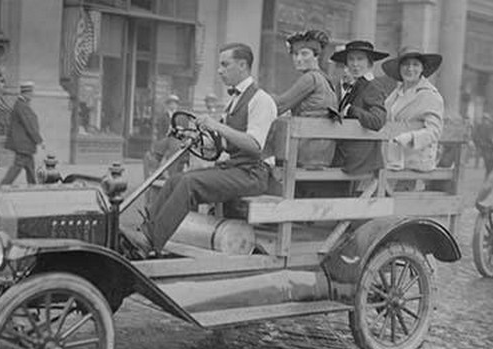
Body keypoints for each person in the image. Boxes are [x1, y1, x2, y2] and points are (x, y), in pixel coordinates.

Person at [122, 42, 277, 257]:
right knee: (175, 180)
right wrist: (198, 139)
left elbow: (255, 144)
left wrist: (216, 126)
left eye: (225, 65)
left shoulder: (262, 100)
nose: (220, 71)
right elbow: (224, 144)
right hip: (235, 168)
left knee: (189, 183)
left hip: (253, 174)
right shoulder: (234, 101)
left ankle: (149, 242)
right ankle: (144, 233)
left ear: (242, 65)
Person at [274, 29, 337, 169]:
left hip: (308, 151)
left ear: (316, 56)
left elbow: (280, 105)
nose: (298, 59)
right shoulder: (325, 79)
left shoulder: (311, 78)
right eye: (295, 54)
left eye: (304, 54)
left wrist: (255, 100)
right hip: (322, 151)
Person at [329, 40, 389, 175]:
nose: (355, 64)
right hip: (346, 155)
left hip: (361, 161)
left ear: (370, 63)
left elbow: (377, 121)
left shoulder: (373, 86)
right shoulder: (356, 85)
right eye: (351, 59)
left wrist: (351, 110)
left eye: (360, 59)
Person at [382, 46, 444, 173]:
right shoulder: (395, 94)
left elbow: (434, 131)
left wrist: (409, 137)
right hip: (392, 157)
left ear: (422, 68)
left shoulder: (429, 95)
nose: (410, 69)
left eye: (415, 65)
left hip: (416, 160)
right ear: (399, 68)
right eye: (405, 64)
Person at [0, 81, 44, 186]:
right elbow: (30, 126)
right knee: (17, 166)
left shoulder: (20, 105)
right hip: (23, 144)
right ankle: (3, 186)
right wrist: (39, 140)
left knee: (30, 167)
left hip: (24, 144)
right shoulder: (23, 106)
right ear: (26, 93)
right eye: (31, 93)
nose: (32, 95)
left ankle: (33, 186)